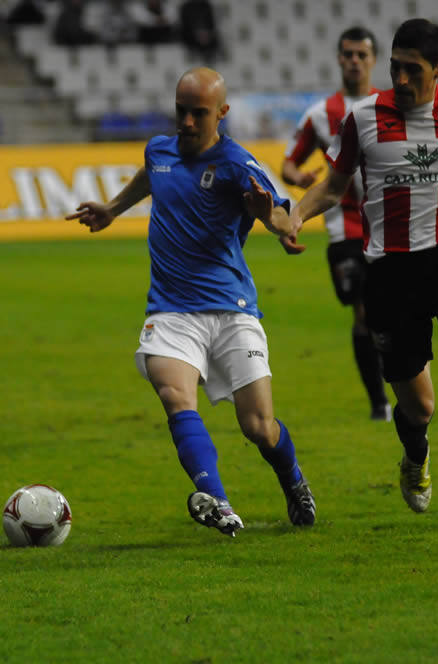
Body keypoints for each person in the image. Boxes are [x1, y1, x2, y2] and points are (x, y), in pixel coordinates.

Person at [286, 19, 438, 512]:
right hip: (392, 271)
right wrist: (295, 216)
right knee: (419, 408)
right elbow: (332, 186)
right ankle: (415, 457)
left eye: (411, 70)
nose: (399, 79)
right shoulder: (363, 118)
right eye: (394, 67)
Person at [67, 67, 315, 536]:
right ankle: (217, 500)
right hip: (171, 309)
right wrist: (113, 209)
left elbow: (282, 215)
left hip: (230, 309)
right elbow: (152, 175)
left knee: (259, 427)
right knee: (174, 394)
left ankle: (293, 477)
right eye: (181, 111)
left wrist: (276, 224)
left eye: (198, 114)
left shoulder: (238, 163)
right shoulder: (159, 149)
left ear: (221, 113)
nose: (186, 122)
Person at [280, 26, 391, 422]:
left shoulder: (392, 105)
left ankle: (398, 390)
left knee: (389, 313)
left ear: (374, 59)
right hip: (344, 233)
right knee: (364, 312)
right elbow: (288, 163)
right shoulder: (320, 114)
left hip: (389, 228)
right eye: (348, 54)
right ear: (339, 59)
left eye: (362, 54)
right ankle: (379, 401)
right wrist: (300, 179)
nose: (354, 61)